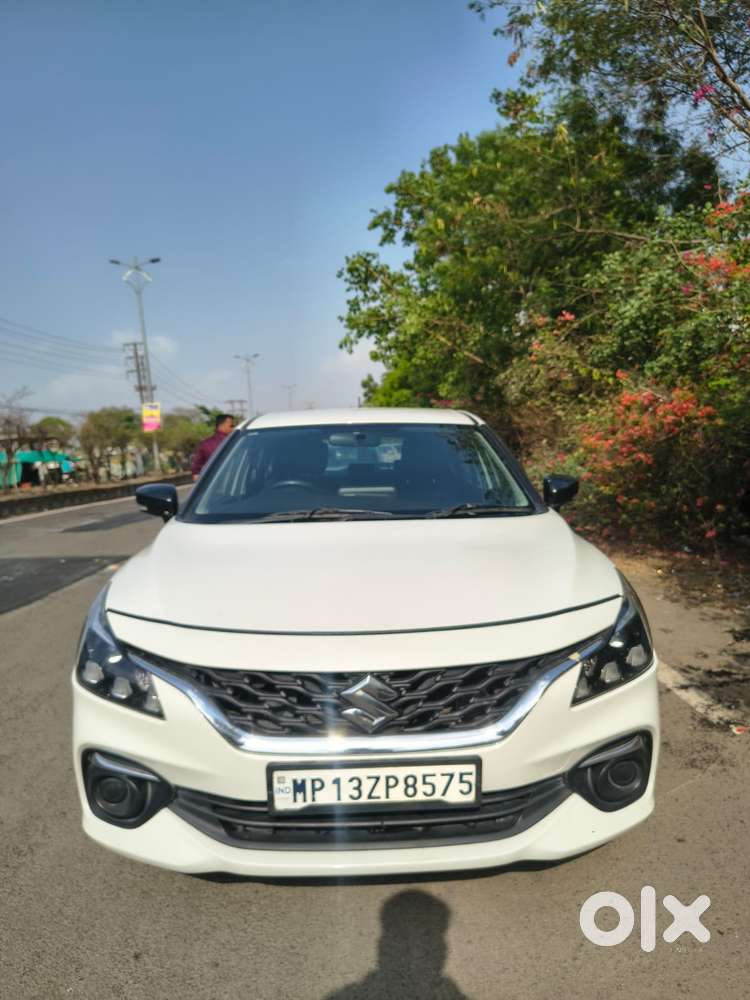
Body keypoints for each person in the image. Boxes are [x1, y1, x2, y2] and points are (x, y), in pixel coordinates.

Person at [191, 413, 234, 480]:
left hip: (212, 485)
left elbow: (196, 471)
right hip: (234, 481)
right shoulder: (234, 442)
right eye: (231, 426)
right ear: (221, 426)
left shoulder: (205, 444)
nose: (233, 428)